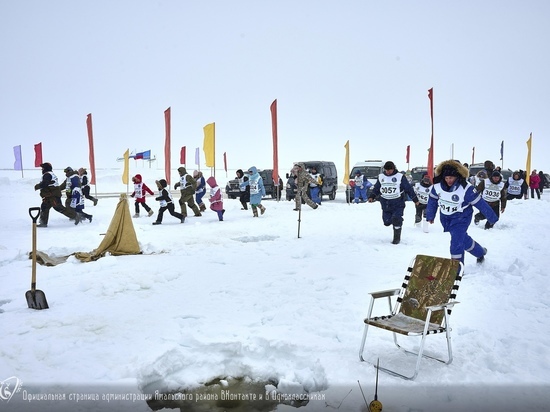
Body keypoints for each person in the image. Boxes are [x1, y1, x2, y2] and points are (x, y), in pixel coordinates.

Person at [426, 160, 498, 264]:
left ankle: (456, 269)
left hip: (462, 217)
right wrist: (430, 215)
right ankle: (480, 252)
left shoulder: (466, 188)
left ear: (457, 176)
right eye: (446, 178)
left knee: (456, 243)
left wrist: (492, 217)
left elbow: (480, 203)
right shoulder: (437, 186)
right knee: (462, 239)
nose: (448, 180)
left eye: (451, 178)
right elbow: (432, 201)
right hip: (446, 218)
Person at [368, 161, 419, 244]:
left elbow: (408, 189)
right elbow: (377, 188)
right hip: (385, 203)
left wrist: (415, 200)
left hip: (398, 202)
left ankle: (396, 238)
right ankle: (393, 222)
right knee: (387, 222)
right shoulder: (381, 177)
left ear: (393, 169)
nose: (388, 172)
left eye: (389, 170)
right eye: (386, 170)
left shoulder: (400, 177)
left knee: (396, 218)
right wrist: (372, 196)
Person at [34, 162, 79, 227]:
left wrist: (37, 186)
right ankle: (43, 223)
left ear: (46, 168)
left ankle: (75, 215)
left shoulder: (48, 174)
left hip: (52, 196)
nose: (42, 169)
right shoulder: (49, 174)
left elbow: (44, 184)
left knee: (59, 208)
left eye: (43, 168)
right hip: (49, 196)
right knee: (44, 207)